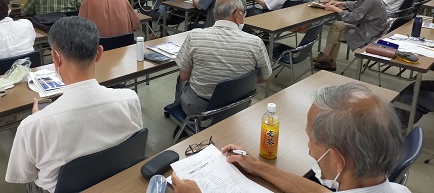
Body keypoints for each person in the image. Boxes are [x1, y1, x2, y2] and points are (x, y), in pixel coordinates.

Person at [172, 83, 410, 193]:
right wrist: (257, 167)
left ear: (338, 161)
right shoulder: (397, 190)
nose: (309, 149)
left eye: (311, 139)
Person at [5, 17, 142, 193]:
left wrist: (38, 119)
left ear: (55, 57)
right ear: (99, 53)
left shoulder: (33, 125)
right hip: (118, 183)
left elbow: (23, 175)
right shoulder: (130, 99)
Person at [173, 0, 272, 115]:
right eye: (244, 14)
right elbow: (265, 77)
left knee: (180, 78)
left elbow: (184, 76)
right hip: (239, 106)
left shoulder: (194, 36)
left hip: (200, 109)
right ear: (237, 14)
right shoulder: (256, 42)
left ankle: (179, 113)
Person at [313, 0, 388, 71]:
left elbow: (353, 18)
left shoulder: (371, 0)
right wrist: (340, 3)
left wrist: (334, 8)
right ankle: (327, 57)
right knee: (336, 25)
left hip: (369, 32)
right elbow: (357, 5)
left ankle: (328, 59)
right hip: (367, 26)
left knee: (338, 34)